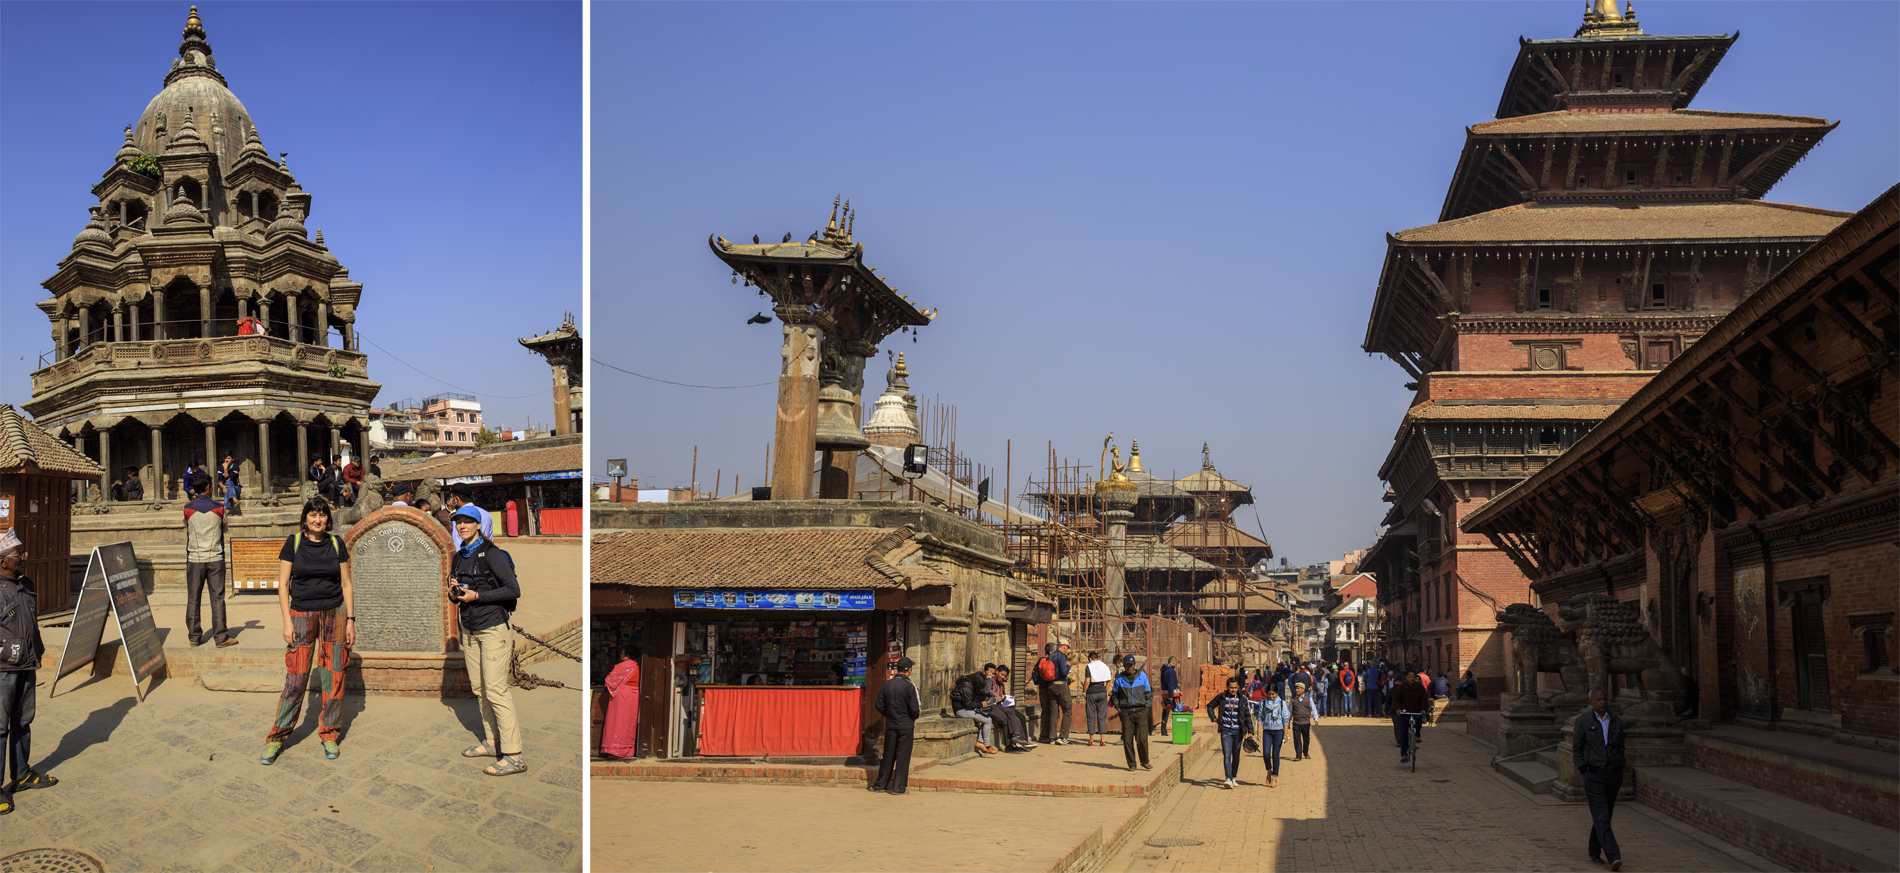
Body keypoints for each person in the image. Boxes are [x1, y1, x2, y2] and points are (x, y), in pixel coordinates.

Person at [263, 498, 356, 765]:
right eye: (313, 515)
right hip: (301, 615)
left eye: (322, 515)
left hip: (334, 615)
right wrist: (287, 622)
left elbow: (346, 584)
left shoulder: (336, 544)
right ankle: (277, 738)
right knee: (296, 678)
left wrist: (350, 619)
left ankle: (329, 732)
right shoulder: (293, 543)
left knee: (334, 677)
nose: (318, 520)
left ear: (328, 519)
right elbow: (283, 585)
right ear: (305, 518)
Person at [448, 507, 526, 776]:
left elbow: (513, 589)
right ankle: (493, 742)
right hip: (469, 629)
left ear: (479, 525)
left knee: (496, 690)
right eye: (458, 522)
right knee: (480, 689)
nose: (462, 526)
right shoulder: (459, 557)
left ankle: (514, 755)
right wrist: (455, 592)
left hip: (493, 627)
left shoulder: (491, 554)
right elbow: (458, 592)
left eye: (468, 522)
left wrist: (477, 596)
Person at [0, 530, 58, 816]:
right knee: (0, 728)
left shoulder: (25, 585)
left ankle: (21, 773)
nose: (22, 558)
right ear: (2, 562)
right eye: (17, 555)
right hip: (4, 669)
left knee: (23, 721)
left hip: (27, 663)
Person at [1575, 688, 1627, 869]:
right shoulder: (1583, 722)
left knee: (1605, 815)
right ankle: (1614, 856)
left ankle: (1594, 850)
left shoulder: (1616, 722)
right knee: (1602, 815)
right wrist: (1584, 770)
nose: (1603, 702)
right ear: (1591, 702)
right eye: (1599, 700)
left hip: (1613, 775)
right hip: (1593, 774)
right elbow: (1577, 748)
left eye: (1605, 699)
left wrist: (1620, 767)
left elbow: (1621, 746)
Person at [182, 478, 235, 648]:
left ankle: (194, 636)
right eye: (211, 486)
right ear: (207, 487)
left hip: (195, 558)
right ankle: (220, 636)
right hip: (215, 557)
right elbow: (225, 527)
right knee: (217, 597)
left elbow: (186, 527)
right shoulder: (219, 508)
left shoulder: (187, 508)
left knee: (193, 597)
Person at [871, 656, 920, 795]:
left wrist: (890, 714)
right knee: (903, 757)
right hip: (906, 725)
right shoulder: (910, 686)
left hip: (891, 725)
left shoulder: (887, 684)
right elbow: (915, 709)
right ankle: (898, 788)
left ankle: (881, 785)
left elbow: (879, 705)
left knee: (888, 755)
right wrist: (911, 717)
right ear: (909, 670)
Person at [1206, 677, 1254, 788]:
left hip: (1238, 731)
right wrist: (1213, 718)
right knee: (1227, 755)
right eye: (1231, 688)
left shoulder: (1242, 699)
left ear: (1238, 687)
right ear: (1227, 687)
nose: (1233, 690)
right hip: (1226, 730)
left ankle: (1233, 777)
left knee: (1236, 756)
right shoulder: (1222, 698)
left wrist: (1251, 731)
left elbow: (1247, 716)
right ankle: (1227, 778)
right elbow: (1210, 706)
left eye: (1235, 688)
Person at [599, 644, 641, 759]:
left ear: (627, 656)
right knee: (629, 723)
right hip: (635, 696)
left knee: (617, 721)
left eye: (622, 653)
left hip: (622, 695)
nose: (620, 655)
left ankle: (614, 750)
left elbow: (609, 680)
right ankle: (628, 750)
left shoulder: (622, 666)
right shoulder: (638, 667)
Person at [1112, 655, 1152, 771]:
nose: (1129, 667)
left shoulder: (1142, 676)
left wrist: (1147, 707)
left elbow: (1148, 694)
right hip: (1126, 713)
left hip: (1141, 712)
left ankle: (1144, 761)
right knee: (1127, 740)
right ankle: (1132, 764)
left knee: (1142, 739)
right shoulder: (1119, 678)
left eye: (1131, 665)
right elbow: (1115, 695)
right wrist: (1118, 707)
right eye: (1127, 665)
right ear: (1123, 665)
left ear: (1134, 665)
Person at [951, 666, 999, 755]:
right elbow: (968, 704)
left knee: (985, 718)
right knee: (988, 720)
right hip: (961, 710)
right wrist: (981, 704)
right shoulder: (966, 686)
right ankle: (987, 745)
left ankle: (980, 742)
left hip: (965, 709)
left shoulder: (969, 684)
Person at [986, 666, 1034, 751]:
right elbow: (986, 694)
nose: (1003, 677)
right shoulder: (990, 681)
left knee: (1017, 719)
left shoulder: (1000, 684)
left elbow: (1000, 696)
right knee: (1006, 718)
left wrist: (1003, 698)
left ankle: (1021, 741)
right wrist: (995, 698)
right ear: (997, 672)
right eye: (1002, 674)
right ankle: (1013, 739)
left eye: (1004, 676)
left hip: (998, 705)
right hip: (990, 706)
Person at [1034, 642, 1073, 746]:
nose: (1067, 650)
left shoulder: (1050, 656)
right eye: (1067, 648)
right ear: (1064, 646)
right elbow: (1064, 672)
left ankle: (1052, 737)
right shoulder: (1061, 656)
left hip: (1050, 686)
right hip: (1061, 684)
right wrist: (1069, 667)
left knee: (1053, 712)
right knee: (1067, 709)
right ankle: (1063, 736)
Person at [1391, 669, 1432, 764]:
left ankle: (1417, 735)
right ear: (1406, 678)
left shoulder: (1420, 688)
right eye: (1410, 677)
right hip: (1404, 712)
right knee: (1404, 732)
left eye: (1414, 677)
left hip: (1416, 710)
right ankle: (1404, 754)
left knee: (1418, 719)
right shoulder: (1401, 688)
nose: (1412, 679)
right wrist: (1397, 709)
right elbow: (1396, 700)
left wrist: (1423, 709)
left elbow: (1424, 699)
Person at [1257, 684, 1290, 788]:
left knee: (1275, 755)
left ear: (1277, 693)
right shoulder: (1263, 703)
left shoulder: (1282, 703)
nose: (1271, 696)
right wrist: (1258, 732)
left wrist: (1285, 734)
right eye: (1270, 694)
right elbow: (1259, 717)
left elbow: (1285, 718)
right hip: (1267, 731)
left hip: (1278, 732)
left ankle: (1275, 777)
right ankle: (1269, 770)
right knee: (1266, 754)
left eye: (1273, 694)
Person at [446, 483, 494, 548]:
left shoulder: (462, 516)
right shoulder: (485, 513)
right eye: (459, 522)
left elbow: (483, 538)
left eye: (451, 498)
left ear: (456, 499)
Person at [1083, 651, 1112, 747]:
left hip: (1091, 692)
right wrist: (1105, 690)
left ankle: (1091, 740)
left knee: (1090, 716)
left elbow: (1087, 681)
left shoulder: (1089, 666)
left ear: (1090, 658)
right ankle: (1102, 740)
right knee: (1101, 716)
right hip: (1102, 691)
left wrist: (1084, 692)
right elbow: (1109, 681)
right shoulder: (1105, 666)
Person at [1288, 681, 1320, 761]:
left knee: (1306, 739)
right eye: (1296, 688)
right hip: (1296, 723)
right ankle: (1298, 755)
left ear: (1303, 689)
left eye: (1298, 689)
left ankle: (1305, 752)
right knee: (1297, 739)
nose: (1296, 690)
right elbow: (1289, 712)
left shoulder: (1308, 699)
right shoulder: (1293, 700)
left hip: (1306, 723)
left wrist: (1316, 719)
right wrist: (1287, 722)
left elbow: (1313, 709)